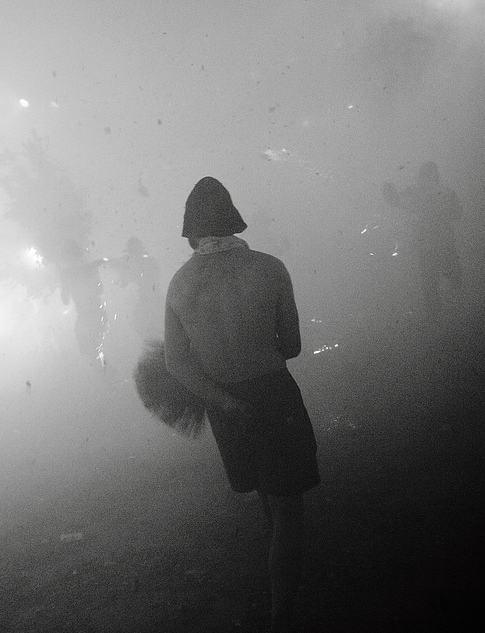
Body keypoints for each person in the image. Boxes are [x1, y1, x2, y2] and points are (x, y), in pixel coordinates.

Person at [164, 176, 320, 633]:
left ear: (192, 233)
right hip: (273, 395)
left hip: (224, 408)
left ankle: (281, 589)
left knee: (267, 495)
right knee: (288, 509)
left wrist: (224, 401)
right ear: (233, 222)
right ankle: (282, 615)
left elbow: (175, 363)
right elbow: (291, 346)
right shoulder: (269, 268)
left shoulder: (179, 284)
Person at [382, 161, 463, 323]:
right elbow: (458, 214)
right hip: (437, 242)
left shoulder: (421, 191)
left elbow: (396, 201)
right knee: (442, 280)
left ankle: (444, 317)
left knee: (438, 281)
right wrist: (390, 194)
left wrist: (390, 194)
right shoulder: (443, 191)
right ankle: (446, 317)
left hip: (432, 243)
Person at [58, 239, 108, 368]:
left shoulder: (66, 274)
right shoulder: (90, 268)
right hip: (98, 313)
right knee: (100, 353)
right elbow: (100, 290)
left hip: (85, 318)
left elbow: (65, 301)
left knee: (93, 356)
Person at [115, 236, 162, 341]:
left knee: (151, 329)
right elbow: (123, 283)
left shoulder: (148, 262)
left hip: (151, 301)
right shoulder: (145, 262)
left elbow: (152, 281)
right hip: (146, 302)